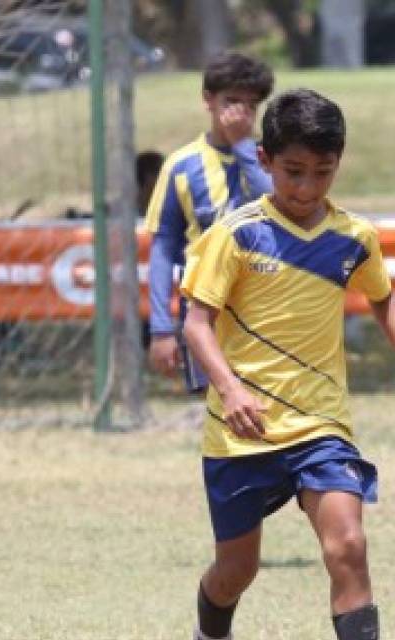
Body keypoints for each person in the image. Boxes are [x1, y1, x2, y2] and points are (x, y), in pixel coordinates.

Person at [178, 88, 395, 640]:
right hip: (241, 432)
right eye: (294, 171)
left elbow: (384, 298)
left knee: (348, 544)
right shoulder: (238, 235)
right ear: (267, 159)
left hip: (321, 425)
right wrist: (232, 389)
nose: (307, 186)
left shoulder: (354, 236)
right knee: (236, 571)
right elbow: (196, 323)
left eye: (323, 172)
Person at [144, 51, 274, 392]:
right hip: (205, 310)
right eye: (230, 102)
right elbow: (163, 249)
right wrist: (161, 328)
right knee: (222, 409)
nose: (238, 114)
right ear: (208, 100)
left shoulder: (272, 160)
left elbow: (278, 201)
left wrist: (244, 145)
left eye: (249, 106)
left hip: (266, 304)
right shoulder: (182, 165)